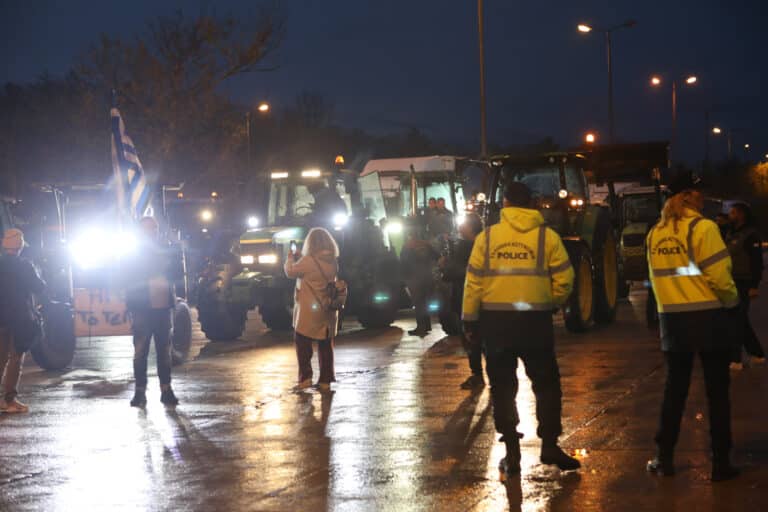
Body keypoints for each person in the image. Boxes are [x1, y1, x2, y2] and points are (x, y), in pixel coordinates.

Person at [463, 182, 580, 479]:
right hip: (534, 324)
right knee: (546, 384)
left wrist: (470, 321)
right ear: (531, 204)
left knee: (502, 388)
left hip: (496, 324)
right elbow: (566, 278)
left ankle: (512, 454)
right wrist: (550, 302)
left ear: (504, 204)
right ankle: (550, 445)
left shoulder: (486, 239)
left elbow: (473, 283)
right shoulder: (548, 237)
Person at [645, 172, 740, 482]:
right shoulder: (704, 228)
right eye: (697, 193)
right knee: (717, 394)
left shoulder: (655, 233)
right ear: (685, 196)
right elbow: (720, 278)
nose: (702, 197)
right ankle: (721, 464)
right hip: (709, 318)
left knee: (675, 391)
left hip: (673, 321)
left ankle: (664, 457)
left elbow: (657, 282)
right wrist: (731, 302)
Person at [125, 217, 179, 408]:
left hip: (163, 309)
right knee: (141, 352)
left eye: (154, 229)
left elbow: (176, 273)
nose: (151, 233)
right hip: (143, 309)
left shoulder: (165, 250)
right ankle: (140, 392)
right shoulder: (133, 254)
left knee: (164, 352)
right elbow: (126, 278)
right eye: (148, 230)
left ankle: (166, 390)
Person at [285, 227, 344, 391]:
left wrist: (290, 259)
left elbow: (290, 272)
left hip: (309, 311)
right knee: (326, 345)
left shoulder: (308, 261)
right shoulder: (333, 260)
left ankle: (305, 379)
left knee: (303, 343)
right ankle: (325, 380)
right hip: (327, 309)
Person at [0, 229, 46, 413]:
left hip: (0, 318)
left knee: (1, 358)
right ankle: (9, 400)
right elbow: (39, 286)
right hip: (19, 318)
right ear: (20, 246)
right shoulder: (25, 266)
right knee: (16, 357)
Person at [439, 213, 485, 389]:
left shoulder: (466, 247)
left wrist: (445, 266)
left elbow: (453, 273)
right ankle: (485, 374)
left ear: (470, 227)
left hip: (467, 299)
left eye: (463, 225)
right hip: (481, 299)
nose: (459, 228)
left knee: (471, 338)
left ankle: (477, 374)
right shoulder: (485, 244)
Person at [726, 202, 765, 369]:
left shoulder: (751, 235)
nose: (730, 215)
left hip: (744, 282)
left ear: (742, 215)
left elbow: (757, 262)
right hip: (731, 280)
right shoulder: (731, 233)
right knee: (740, 320)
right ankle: (757, 354)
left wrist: (754, 285)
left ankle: (735, 359)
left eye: (733, 212)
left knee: (737, 320)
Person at [401, 221, 439, 337]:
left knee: (418, 303)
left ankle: (421, 327)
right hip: (427, 276)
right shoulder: (426, 244)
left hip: (414, 278)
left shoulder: (407, 246)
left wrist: (405, 279)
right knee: (425, 302)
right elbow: (437, 257)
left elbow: (403, 263)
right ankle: (426, 325)